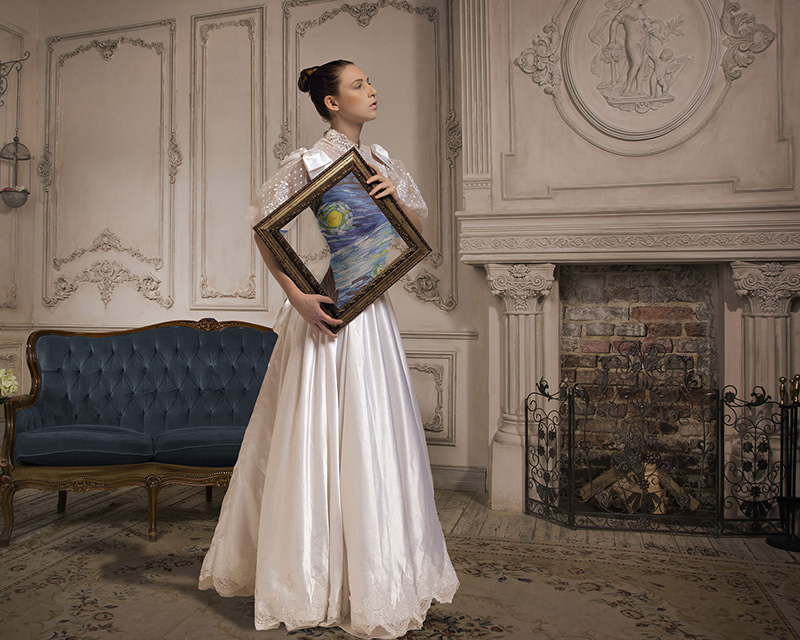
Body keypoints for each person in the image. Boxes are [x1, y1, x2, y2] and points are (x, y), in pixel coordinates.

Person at [198, 59, 459, 639]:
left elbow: (418, 235)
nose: (373, 90)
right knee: (317, 436)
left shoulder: (383, 160)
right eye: (360, 84)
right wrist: (298, 296)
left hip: (374, 310)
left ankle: (376, 575)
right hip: (331, 309)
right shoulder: (310, 163)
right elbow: (267, 229)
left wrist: (401, 201)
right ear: (332, 103)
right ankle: (313, 578)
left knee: (374, 435)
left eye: (371, 80)